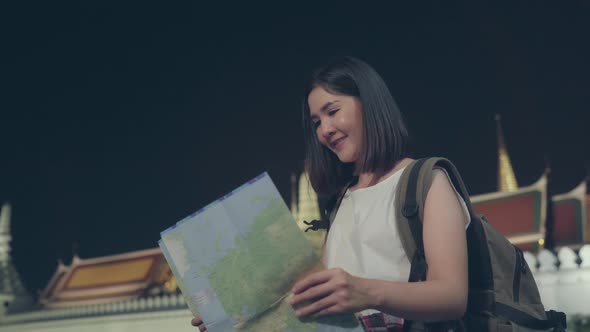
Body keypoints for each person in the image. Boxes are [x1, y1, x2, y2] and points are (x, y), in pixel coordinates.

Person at [192, 56, 470, 331]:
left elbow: (452, 296)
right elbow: (320, 304)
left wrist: (367, 293)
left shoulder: (426, 180)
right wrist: (236, 317)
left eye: (332, 111)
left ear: (368, 103)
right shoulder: (339, 203)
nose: (324, 130)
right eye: (316, 123)